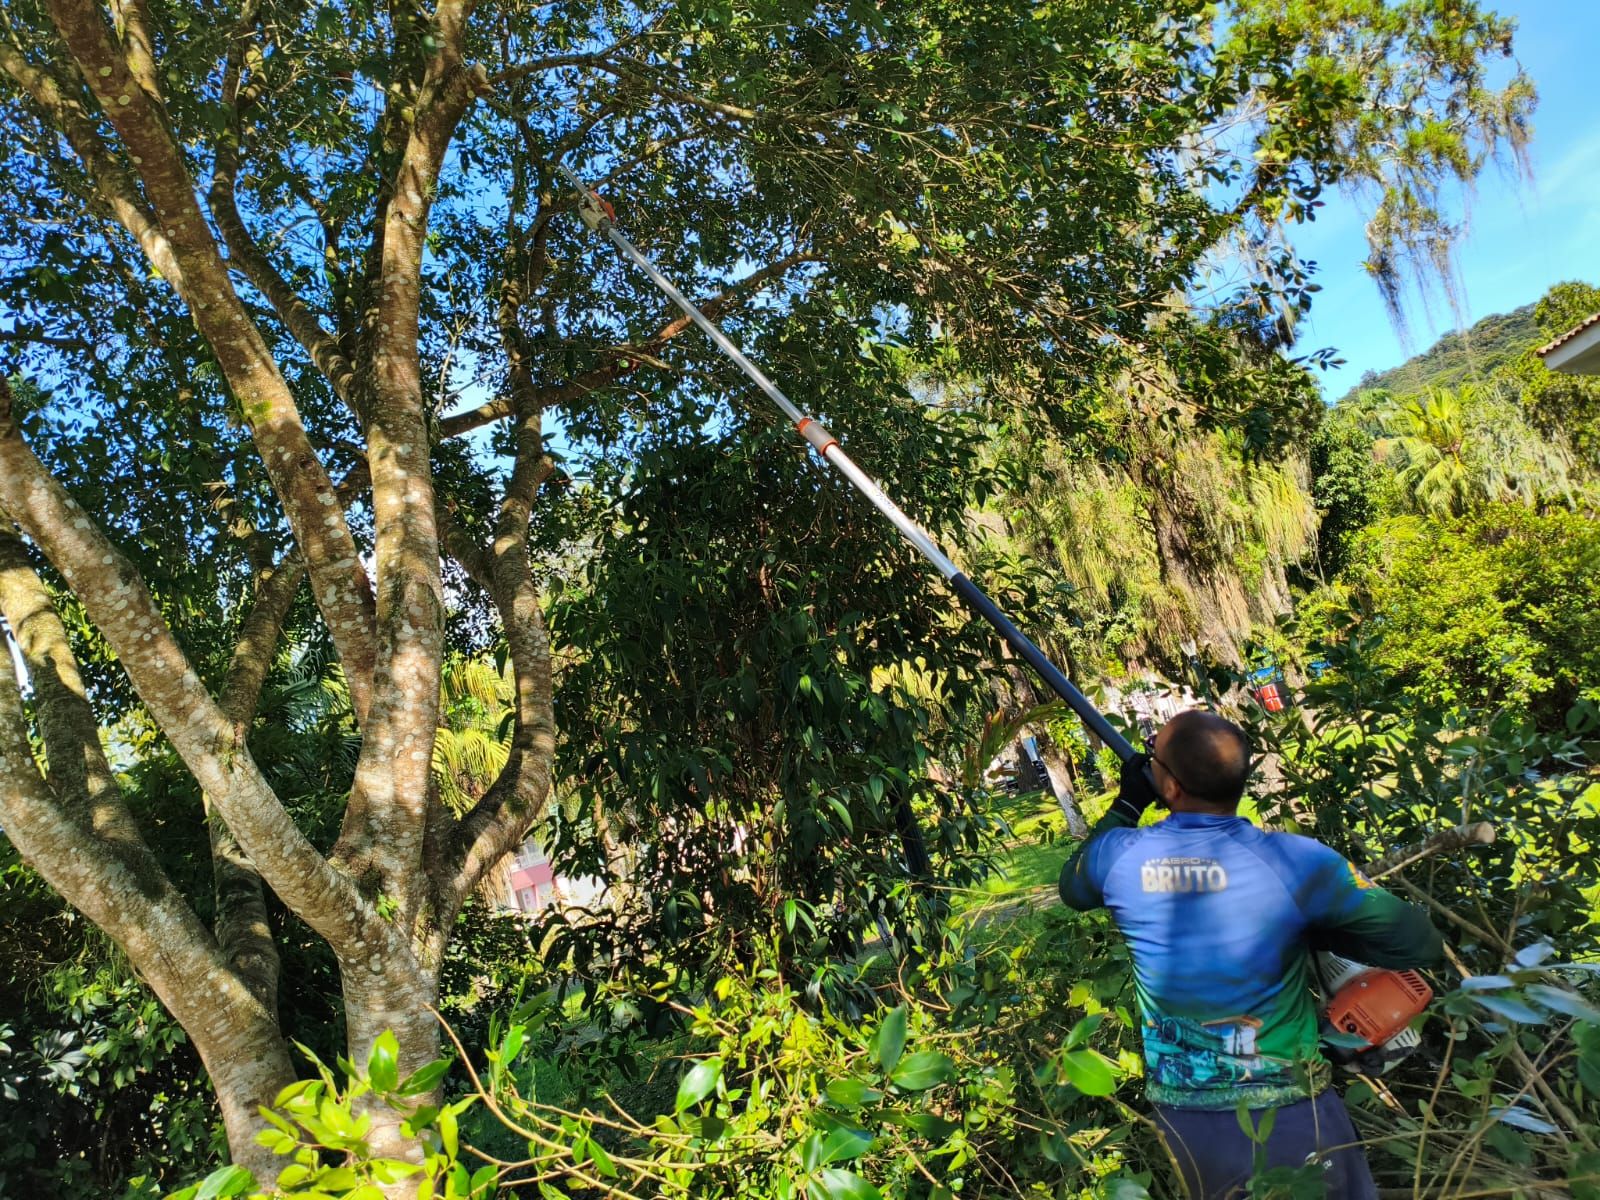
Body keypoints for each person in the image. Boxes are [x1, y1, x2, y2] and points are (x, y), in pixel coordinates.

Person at [1059, 710, 1442, 1200]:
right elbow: (1419, 942)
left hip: (1188, 1119)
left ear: (1170, 786)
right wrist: (1317, 933)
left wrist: (1128, 802)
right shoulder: (1296, 862)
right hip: (1295, 1110)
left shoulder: (1117, 856)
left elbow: (1073, 887)